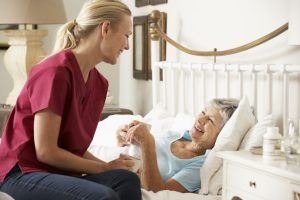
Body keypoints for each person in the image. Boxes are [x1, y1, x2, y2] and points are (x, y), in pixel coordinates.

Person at [0, 1, 141, 200]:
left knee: (126, 180)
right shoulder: (54, 72)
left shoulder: (100, 84)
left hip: (57, 174)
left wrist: (113, 168)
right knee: (104, 196)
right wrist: (103, 167)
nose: (127, 45)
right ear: (106, 28)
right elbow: (46, 152)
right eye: (126, 35)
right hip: (22, 173)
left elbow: (74, 149)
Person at [116, 98, 239, 193]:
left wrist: (147, 142)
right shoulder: (175, 134)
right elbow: (134, 153)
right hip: (114, 171)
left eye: (210, 120)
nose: (201, 120)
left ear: (222, 133)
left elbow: (158, 192)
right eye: (203, 112)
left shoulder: (201, 165)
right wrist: (125, 138)